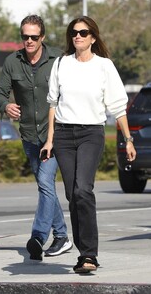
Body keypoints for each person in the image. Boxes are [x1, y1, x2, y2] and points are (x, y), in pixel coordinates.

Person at [41, 16, 136, 273]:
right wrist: (50, 139)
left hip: (90, 135)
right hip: (63, 135)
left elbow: (118, 107)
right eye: (74, 33)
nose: (78, 36)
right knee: (73, 194)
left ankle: (89, 255)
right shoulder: (61, 64)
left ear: (93, 37)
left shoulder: (104, 66)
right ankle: (83, 254)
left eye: (83, 32)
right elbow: (53, 104)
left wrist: (128, 140)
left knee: (83, 189)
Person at [0, 15, 72, 261]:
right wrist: (6, 106)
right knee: (44, 186)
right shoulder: (12, 62)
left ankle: (38, 237)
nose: (29, 41)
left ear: (43, 38)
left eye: (34, 37)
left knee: (46, 183)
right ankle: (62, 236)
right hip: (29, 134)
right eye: (25, 36)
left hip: (56, 134)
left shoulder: (59, 59)